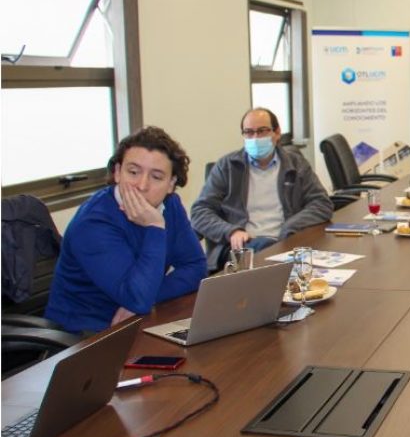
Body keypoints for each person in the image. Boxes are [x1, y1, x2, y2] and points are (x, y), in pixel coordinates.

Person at [46, 126, 206, 334]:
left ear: (171, 184)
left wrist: (150, 296)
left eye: (156, 177)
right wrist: (155, 227)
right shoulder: (93, 223)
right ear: (117, 172)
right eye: (133, 172)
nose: (141, 185)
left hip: (137, 320)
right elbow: (138, 298)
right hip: (84, 336)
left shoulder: (171, 205)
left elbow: (196, 266)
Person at [191, 108, 333, 271]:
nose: (255, 138)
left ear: (277, 132)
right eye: (249, 133)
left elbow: (322, 203)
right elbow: (200, 211)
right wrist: (230, 231)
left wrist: (290, 227)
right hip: (241, 248)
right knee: (272, 254)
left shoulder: (296, 164)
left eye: (262, 131)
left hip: (287, 241)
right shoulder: (227, 167)